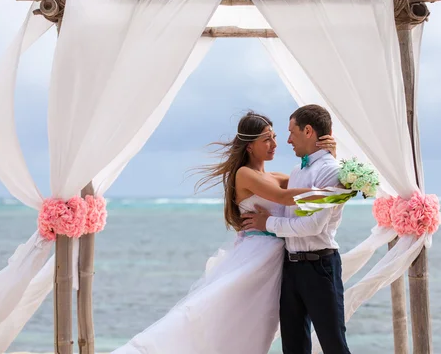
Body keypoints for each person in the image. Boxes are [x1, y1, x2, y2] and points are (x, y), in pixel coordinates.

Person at [111, 111, 338, 354]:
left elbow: (308, 178)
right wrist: (335, 193)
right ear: (250, 146)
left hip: (278, 262)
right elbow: (285, 197)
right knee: (223, 317)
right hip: (256, 257)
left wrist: (330, 157)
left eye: (274, 137)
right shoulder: (244, 174)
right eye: (267, 139)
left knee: (258, 328)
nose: (275, 144)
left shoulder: (275, 176)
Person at [242, 104, 351, 354]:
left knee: (333, 344)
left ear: (309, 131)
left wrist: (266, 224)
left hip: (319, 266)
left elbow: (312, 225)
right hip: (291, 267)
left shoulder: (330, 171)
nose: (288, 140)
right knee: (293, 346)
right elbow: (281, 201)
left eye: (292, 132)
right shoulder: (296, 171)